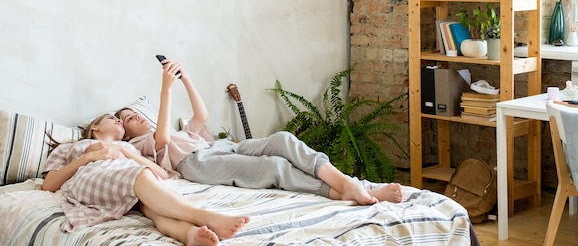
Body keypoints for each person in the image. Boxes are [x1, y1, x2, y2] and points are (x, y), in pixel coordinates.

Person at [116, 58, 403, 205]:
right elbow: (161, 139)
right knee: (273, 167)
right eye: (128, 118)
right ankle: (346, 190)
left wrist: (185, 78)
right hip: (196, 165)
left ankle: (346, 182)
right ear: (127, 133)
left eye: (135, 113)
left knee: (284, 139)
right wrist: (165, 90)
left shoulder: (180, 133)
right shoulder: (138, 145)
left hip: (218, 148)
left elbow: (201, 116)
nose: (136, 117)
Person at [41, 113, 249, 246]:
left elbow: (163, 175)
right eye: (111, 118)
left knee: (155, 209)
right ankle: (203, 216)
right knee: (141, 176)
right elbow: (49, 184)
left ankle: (189, 234)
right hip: (94, 177)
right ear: (95, 127)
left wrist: (125, 151)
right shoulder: (74, 147)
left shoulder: (130, 147)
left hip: (131, 183)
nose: (118, 120)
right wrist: (89, 156)